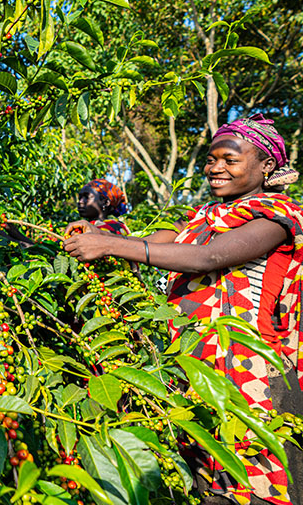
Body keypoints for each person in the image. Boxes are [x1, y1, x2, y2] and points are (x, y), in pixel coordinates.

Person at [63, 114, 303, 505]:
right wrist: (98, 234)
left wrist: (109, 246)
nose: (215, 168)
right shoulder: (199, 217)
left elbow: (209, 257)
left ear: (266, 166)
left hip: (253, 375)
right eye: (211, 159)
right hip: (193, 366)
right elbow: (152, 243)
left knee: (251, 484)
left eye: (230, 159)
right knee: (204, 482)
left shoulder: (276, 217)